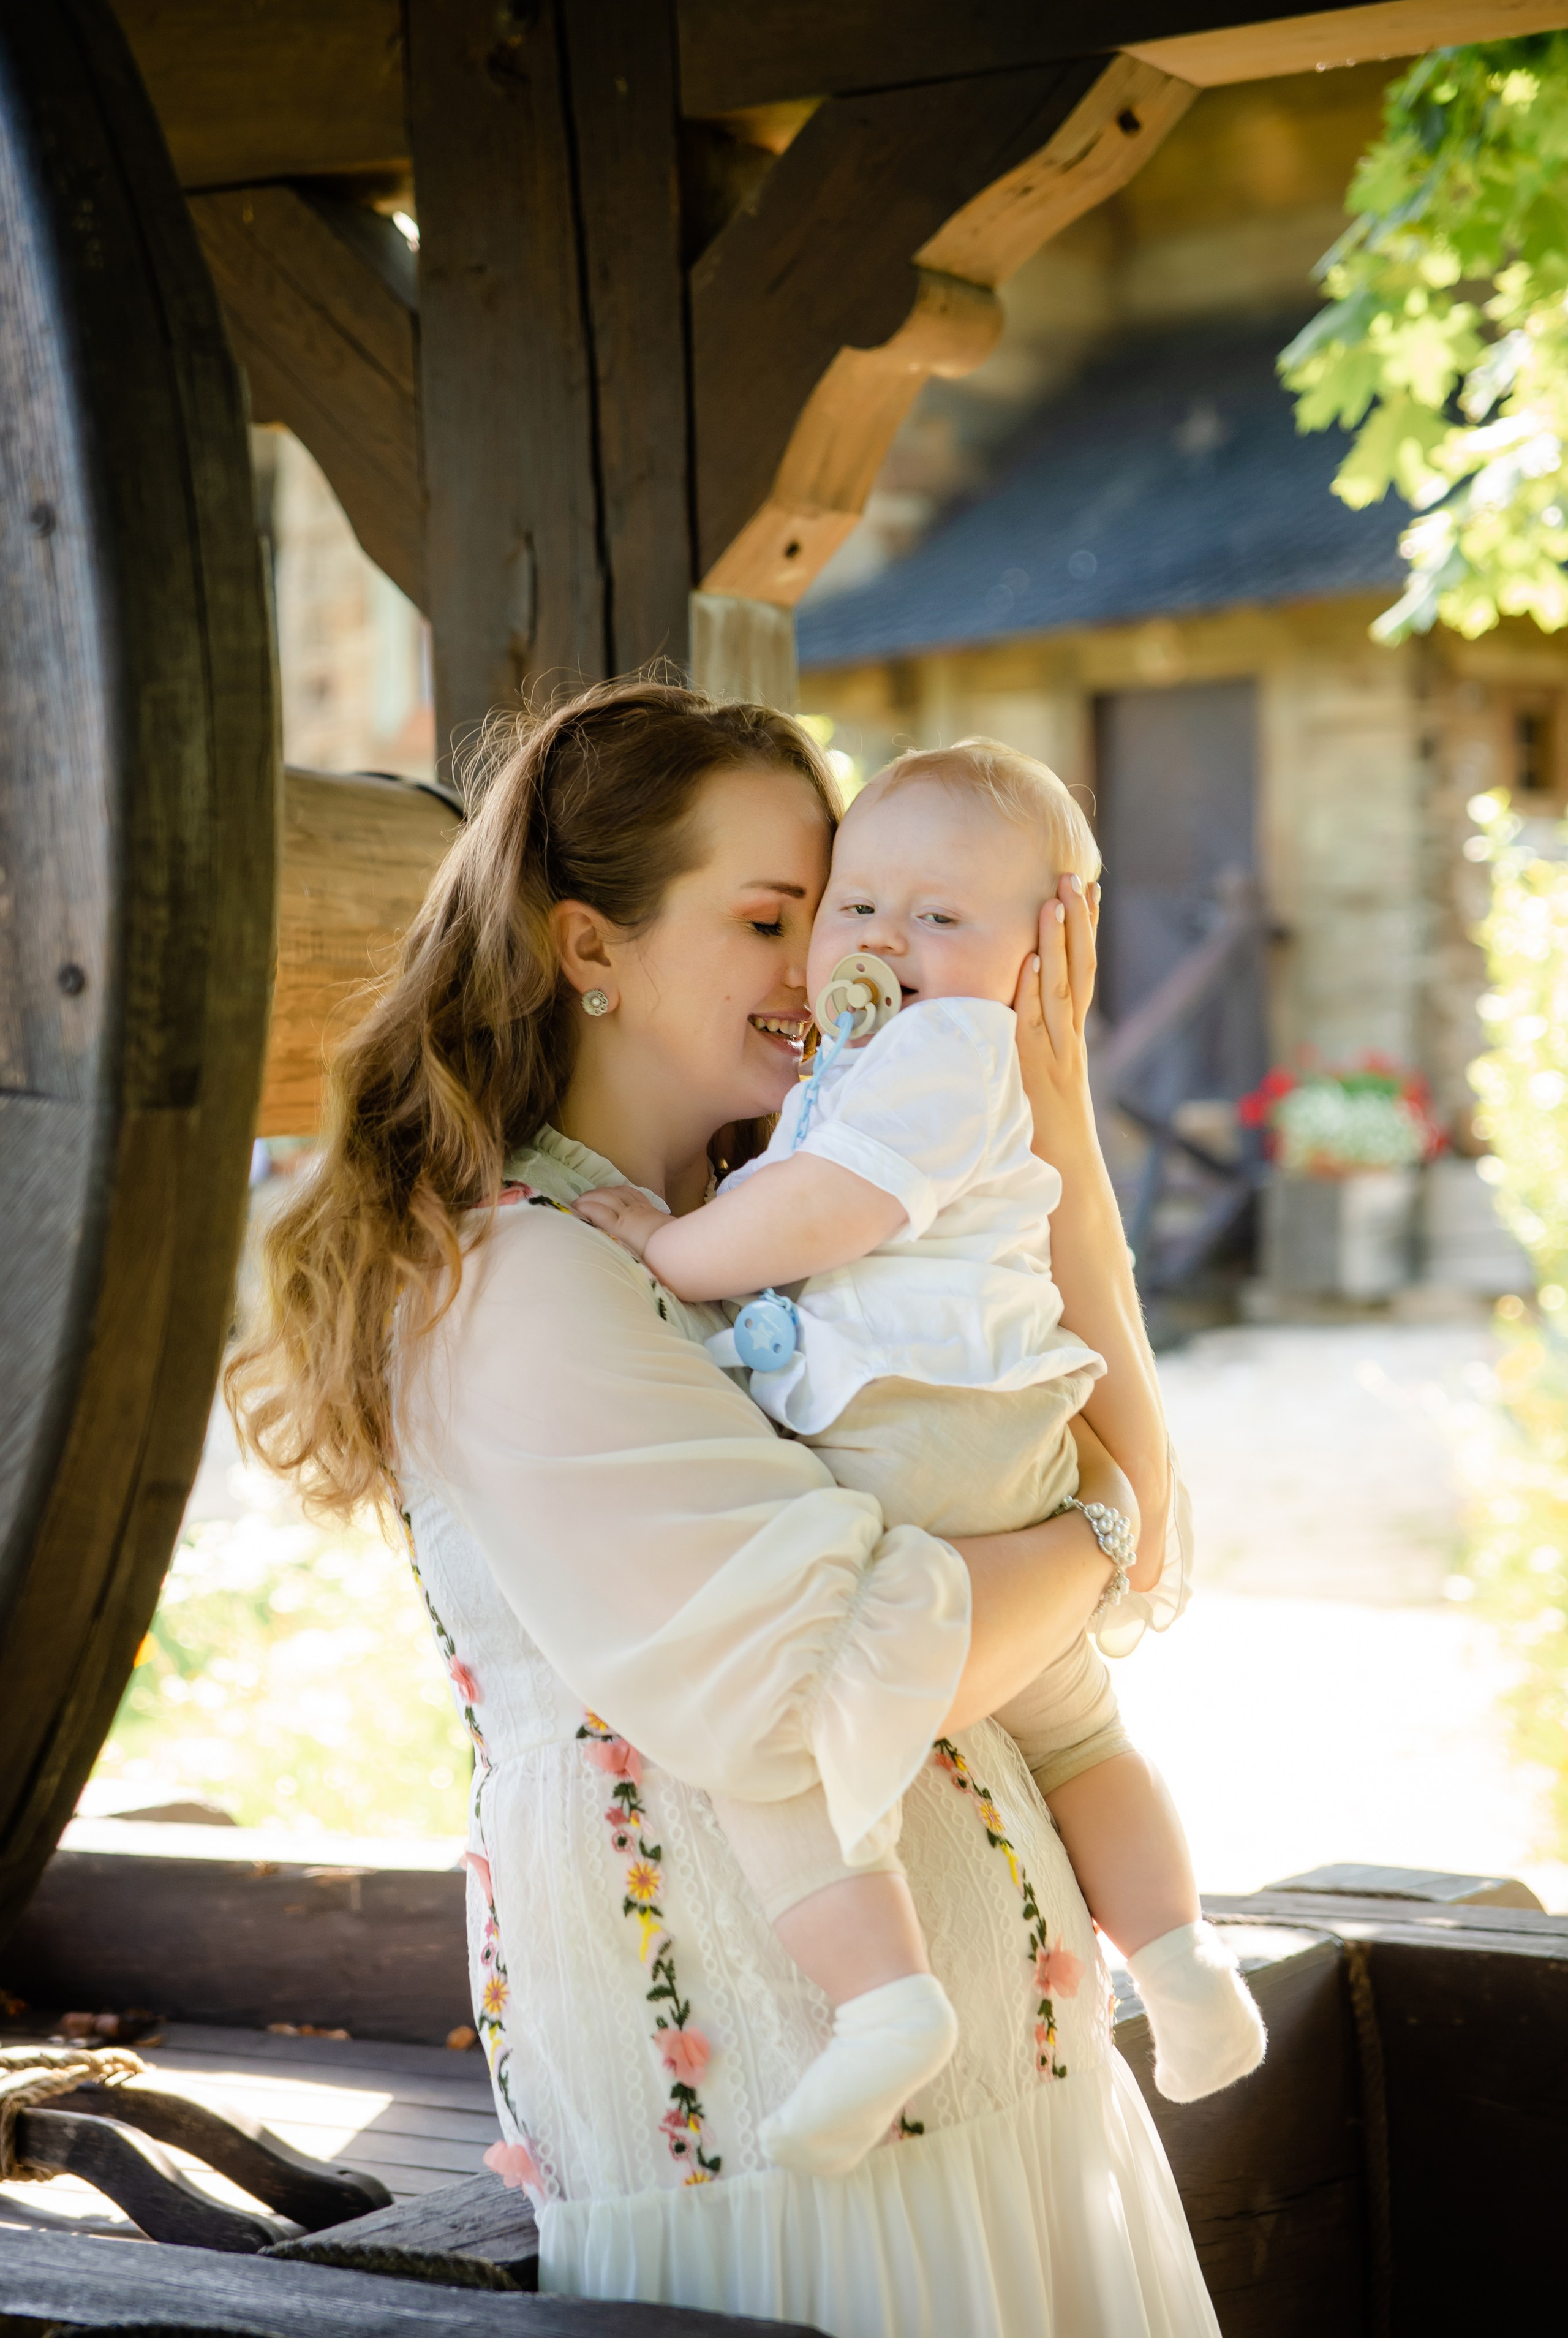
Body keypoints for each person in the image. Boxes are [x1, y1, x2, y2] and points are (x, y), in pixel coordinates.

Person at [229, 676, 1225, 2338]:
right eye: (780, 915)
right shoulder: (521, 1283)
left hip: (1013, 2105)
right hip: (794, 2168)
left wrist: (1043, 1111)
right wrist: (1105, 1522)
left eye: (831, 907)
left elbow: (1102, 1502)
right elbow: (857, 1664)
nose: (840, 959)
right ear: (590, 948)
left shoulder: (805, 1246)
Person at [572, 740, 1264, 2177]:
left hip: (912, 1427)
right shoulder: (895, 1055)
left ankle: (881, 2003)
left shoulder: (945, 1052)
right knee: (1077, 1729)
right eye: (851, 905)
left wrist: (671, 1245)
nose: (882, 940)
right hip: (996, 1438)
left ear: (1040, 958)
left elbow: (828, 1209)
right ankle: (1186, 1965)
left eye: (939, 918)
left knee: (772, 1725)